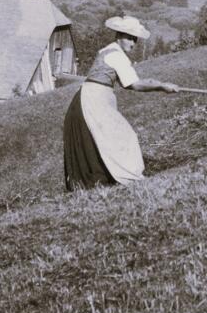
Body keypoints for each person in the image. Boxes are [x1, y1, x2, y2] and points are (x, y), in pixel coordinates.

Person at [63, 15, 180, 192]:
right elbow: (135, 84)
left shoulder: (107, 50)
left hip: (93, 97)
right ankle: (130, 177)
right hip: (93, 99)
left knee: (105, 137)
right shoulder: (117, 56)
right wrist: (162, 86)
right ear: (119, 36)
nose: (133, 43)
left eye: (135, 39)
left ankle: (107, 177)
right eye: (129, 38)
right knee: (124, 136)